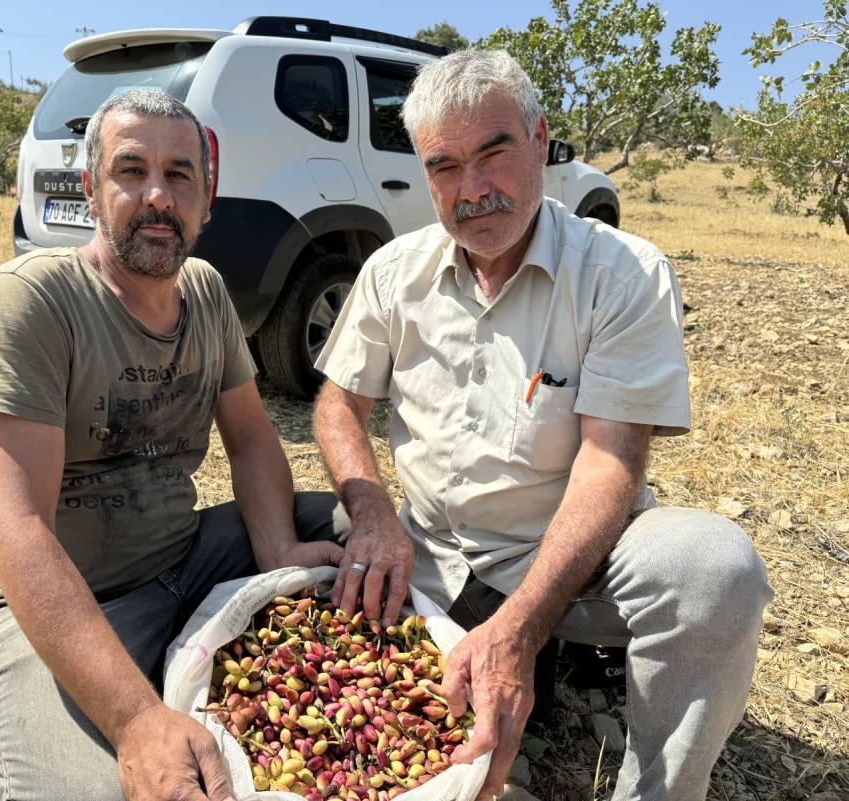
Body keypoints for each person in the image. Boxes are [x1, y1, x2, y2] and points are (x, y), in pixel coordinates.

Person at [313, 50, 773, 801]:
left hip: (566, 568)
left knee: (714, 571)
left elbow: (609, 465)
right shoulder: (394, 272)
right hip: (426, 556)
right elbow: (337, 403)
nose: (473, 190)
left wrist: (522, 629)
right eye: (445, 167)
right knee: (263, 535)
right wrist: (371, 513)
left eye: (493, 153)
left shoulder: (621, 273)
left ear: (539, 140)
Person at [0, 89, 344, 801]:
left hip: (181, 557)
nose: (158, 195)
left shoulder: (208, 293)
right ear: (90, 190)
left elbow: (251, 441)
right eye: (131, 170)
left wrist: (278, 550)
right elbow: (15, 527)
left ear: (207, 200)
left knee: (346, 525)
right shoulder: (25, 305)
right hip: (39, 600)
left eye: (181, 174)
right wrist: (133, 719)